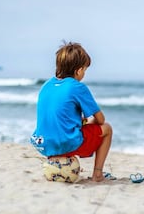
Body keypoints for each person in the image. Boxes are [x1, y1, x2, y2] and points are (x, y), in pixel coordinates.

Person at [31, 42, 113, 182]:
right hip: (65, 143)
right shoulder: (77, 87)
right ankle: (98, 174)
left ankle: (56, 160)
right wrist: (90, 121)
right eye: (85, 70)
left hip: (43, 143)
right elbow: (100, 120)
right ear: (79, 70)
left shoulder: (46, 85)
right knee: (107, 129)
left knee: (71, 127)